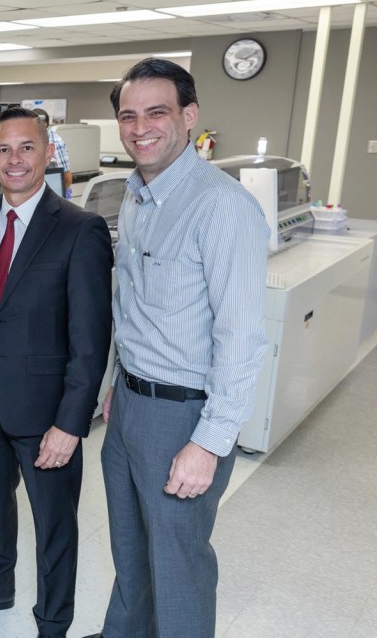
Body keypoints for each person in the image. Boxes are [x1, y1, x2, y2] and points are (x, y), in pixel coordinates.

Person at [84, 59, 269, 638]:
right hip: (131, 405)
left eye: (156, 112)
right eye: (128, 115)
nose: (140, 127)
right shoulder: (137, 196)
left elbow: (241, 339)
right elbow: (132, 305)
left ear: (189, 118)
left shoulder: (222, 206)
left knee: (179, 564)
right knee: (131, 551)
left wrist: (208, 444)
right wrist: (117, 381)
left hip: (184, 415)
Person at [0, 107, 114, 638]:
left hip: (46, 412)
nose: (16, 160)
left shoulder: (80, 229)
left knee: (54, 524)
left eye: (27, 148)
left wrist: (70, 423)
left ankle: (53, 622)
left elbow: (91, 339)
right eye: (4, 149)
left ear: (48, 153)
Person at [32, 107, 73, 197]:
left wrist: (59, 199)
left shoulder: (55, 142)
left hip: (53, 194)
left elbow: (66, 177)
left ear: (45, 124)